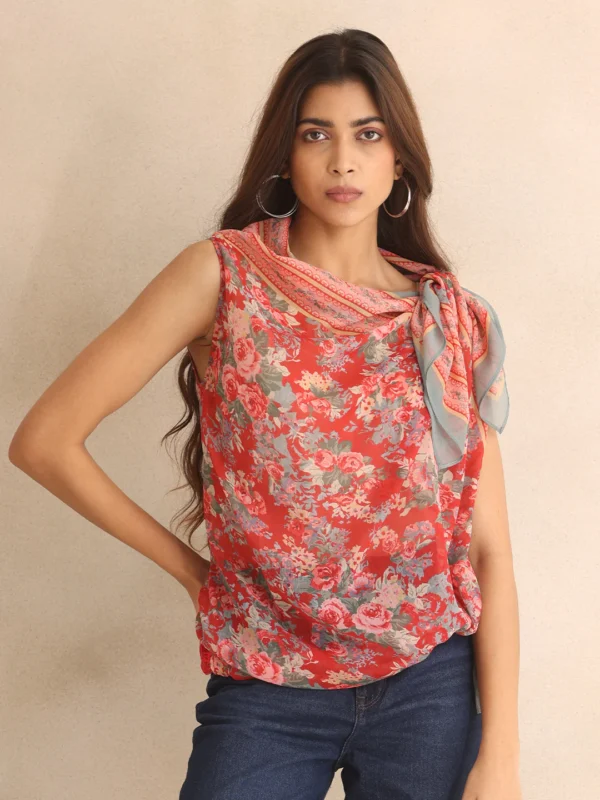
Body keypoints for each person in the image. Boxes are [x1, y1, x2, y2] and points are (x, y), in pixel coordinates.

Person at [8, 28, 521, 800]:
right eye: (316, 134)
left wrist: (502, 755)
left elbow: (490, 554)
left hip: (430, 688)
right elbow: (45, 441)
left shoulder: (443, 319)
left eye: (368, 135)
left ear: (399, 160)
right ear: (285, 154)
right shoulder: (223, 277)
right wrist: (194, 574)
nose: (343, 160)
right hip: (268, 685)